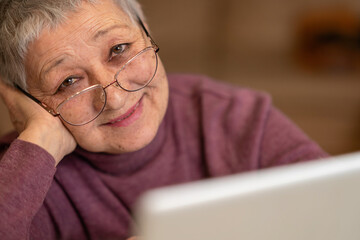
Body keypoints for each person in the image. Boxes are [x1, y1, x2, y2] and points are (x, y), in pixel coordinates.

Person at [0, 0, 328, 239]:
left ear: (147, 34)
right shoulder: (21, 175)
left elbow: (338, 212)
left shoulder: (230, 114)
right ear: (30, 102)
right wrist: (39, 141)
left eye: (119, 49)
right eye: (68, 82)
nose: (114, 98)